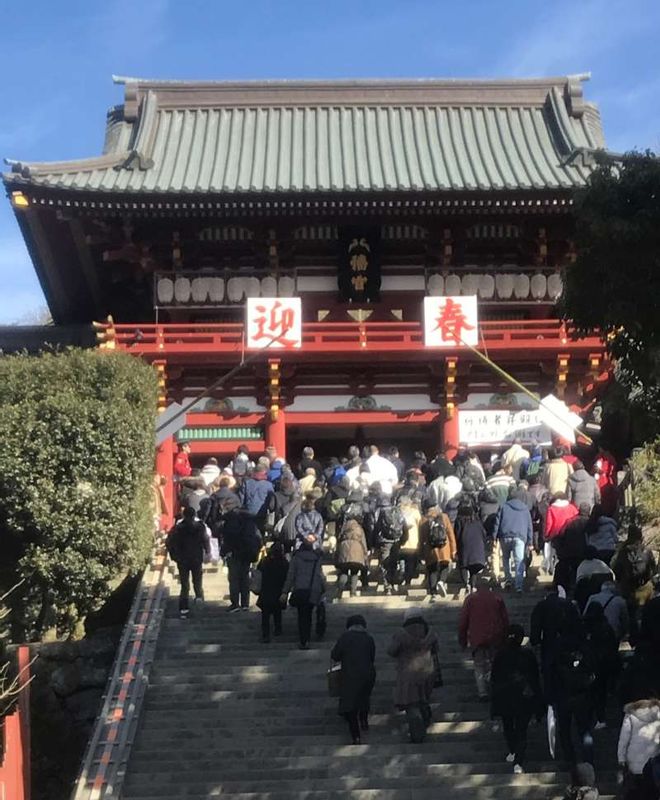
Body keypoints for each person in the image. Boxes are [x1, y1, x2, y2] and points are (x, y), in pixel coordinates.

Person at [490, 624, 543, 775]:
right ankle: (518, 761)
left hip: (505, 697)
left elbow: (494, 678)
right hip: (524, 698)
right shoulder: (528, 655)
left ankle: (513, 751)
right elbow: (535, 679)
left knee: (508, 726)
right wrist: (539, 701)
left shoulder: (500, 655)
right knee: (521, 730)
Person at [387, 607, 440, 743]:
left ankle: (417, 735)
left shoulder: (401, 634)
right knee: (422, 698)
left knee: (411, 704)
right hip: (427, 670)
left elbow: (392, 651)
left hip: (408, 672)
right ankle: (425, 714)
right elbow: (436, 650)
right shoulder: (430, 633)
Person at [458, 577, 509, 700]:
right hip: (496, 636)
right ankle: (495, 687)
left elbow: (463, 622)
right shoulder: (497, 598)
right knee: (494, 663)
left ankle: (482, 692)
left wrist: (463, 640)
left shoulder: (470, 599)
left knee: (479, 665)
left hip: (477, 637)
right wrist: (506, 636)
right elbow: (505, 619)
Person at [330, 614, 376, 745]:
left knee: (350, 705)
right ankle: (364, 720)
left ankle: (356, 736)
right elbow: (372, 656)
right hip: (368, 673)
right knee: (364, 697)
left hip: (350, 674)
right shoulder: (369, 638)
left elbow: (335, 655)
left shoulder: (345, 637)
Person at [612, 525, 657, 640]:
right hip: (645, 587)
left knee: (631, 614)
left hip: (628, 588)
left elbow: (616, 569)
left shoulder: (623, 551)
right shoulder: (646, 551)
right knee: (647, 613)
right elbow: (653, 568)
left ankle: (633, 637)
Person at [281, 538, 326, 649]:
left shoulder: (296, 559)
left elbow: (290, 576)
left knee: (302, 616)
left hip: (300, 589)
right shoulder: (317, 559)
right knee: (309, 614)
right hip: (313, 590)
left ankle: (303, 639)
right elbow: (320, 575)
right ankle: (307, 637)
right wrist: (323, 588)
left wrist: (285, 592)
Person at [166, 506, 210, 618]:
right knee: (197, 581)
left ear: (183, 515)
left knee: (185, 585)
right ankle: (199, 599)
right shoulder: (200, 526)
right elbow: (205, 540)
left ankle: (184, 609)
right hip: (196, 558)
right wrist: (207, 552)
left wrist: (174, 556)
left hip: (183, 559)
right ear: (194, 515)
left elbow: (169, 542)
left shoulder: (178, 528)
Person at [220, 494, 261, 612]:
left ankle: (235, 604)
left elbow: (228, 538)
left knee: (234, 579)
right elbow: (257, 536)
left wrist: (224, 552)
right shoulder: (249, 518)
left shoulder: (230, 519)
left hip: (234, 552)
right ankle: (245, 604)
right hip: (248, 552)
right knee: (244, 577)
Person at [583, 602, 619, 729]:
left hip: (592, 664)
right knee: (601, 691)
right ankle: (600, 716)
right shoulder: (606, 627)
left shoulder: (587, 626)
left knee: (591, 692)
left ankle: (590, 716)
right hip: (604, 664)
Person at [617, 699, 660, 798]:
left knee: (636, 791)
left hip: (634, 762)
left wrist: (621, 758)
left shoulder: (630, 714)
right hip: (653, 762)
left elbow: (624, 739)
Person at [494, 492, 533, 593]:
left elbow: (497, 522)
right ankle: (518, 585)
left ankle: (508, 579)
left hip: (505, 535)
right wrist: (530, 541)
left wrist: (494, 536)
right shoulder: (525, 508)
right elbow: (529, 526)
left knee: (506, 558)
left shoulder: (503, 506)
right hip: (520, 536)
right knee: (519, 560)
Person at [372, 494, 407, 594]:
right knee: (393, 564)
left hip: (385, 542)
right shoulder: (398, 511)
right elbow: (404, 526)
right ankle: (392, 584)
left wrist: (374, 543)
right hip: (396, 541)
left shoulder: (382, 512)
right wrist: (403, 540)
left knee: (385, 564)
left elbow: (377, 528)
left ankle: (387, 586)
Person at [420, 505, 456, 600]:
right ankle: (442, 581)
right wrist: (453, 549)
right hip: (444, 547)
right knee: (444, 566)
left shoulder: (424, 519)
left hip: (431, 549)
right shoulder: (444, 517)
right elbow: (450, 534)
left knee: (432, 570)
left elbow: (422, 538)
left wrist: (422, 553)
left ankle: (433, 594)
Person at [553, 503, 590, 595]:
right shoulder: (590, 522)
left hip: (569, 552)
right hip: (585, 552)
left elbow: (561, 534)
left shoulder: (570, 521)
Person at [256, 542, 288, 642]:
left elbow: (258, 571)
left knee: (265, 615)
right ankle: (278, 629)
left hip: (266, 591)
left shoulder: (265, 561)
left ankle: (265, 634)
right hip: (278, 591)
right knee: (277, 612)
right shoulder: (284, 563)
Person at [453, 500, 487, 593]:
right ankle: (473, 585)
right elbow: (484, 533)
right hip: (477, 545)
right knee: (473, 568)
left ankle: (465, 584)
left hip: (464, 544)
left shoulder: (459, 520)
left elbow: (457, 534)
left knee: (463, 565)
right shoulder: (476, 520)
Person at [544, 493, 579, 575]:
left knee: (557, 554)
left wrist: (547, 534)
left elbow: (549, 523)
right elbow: (576, 518)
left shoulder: (551, 509)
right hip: (570, 533)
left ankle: (556, 570)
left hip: (556, 534)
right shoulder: (572, 507)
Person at [335, 516, 369, 598]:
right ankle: (353, 592)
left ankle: (339, 591)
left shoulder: (343, 528)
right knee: (355, 572)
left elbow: (338, 540)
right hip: (356, 552)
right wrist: (365, 555)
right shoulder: (359, 529)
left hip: (344, 551)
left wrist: (337, 553)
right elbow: (363, 543)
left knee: (344, 572)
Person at [237, 466, 274, 533]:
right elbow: (271, 502)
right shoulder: (269, 485)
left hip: (248, 514)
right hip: (262, 514)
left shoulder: (247, 483)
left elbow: (241, 500)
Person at [397, 497, 422, 587]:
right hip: (413, 543)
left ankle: (401, 572)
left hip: (399, 542)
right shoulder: (415, 513)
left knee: (402, 559)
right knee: (410, 563)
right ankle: (407, 581)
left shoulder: (397, 512)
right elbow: (420, 526)